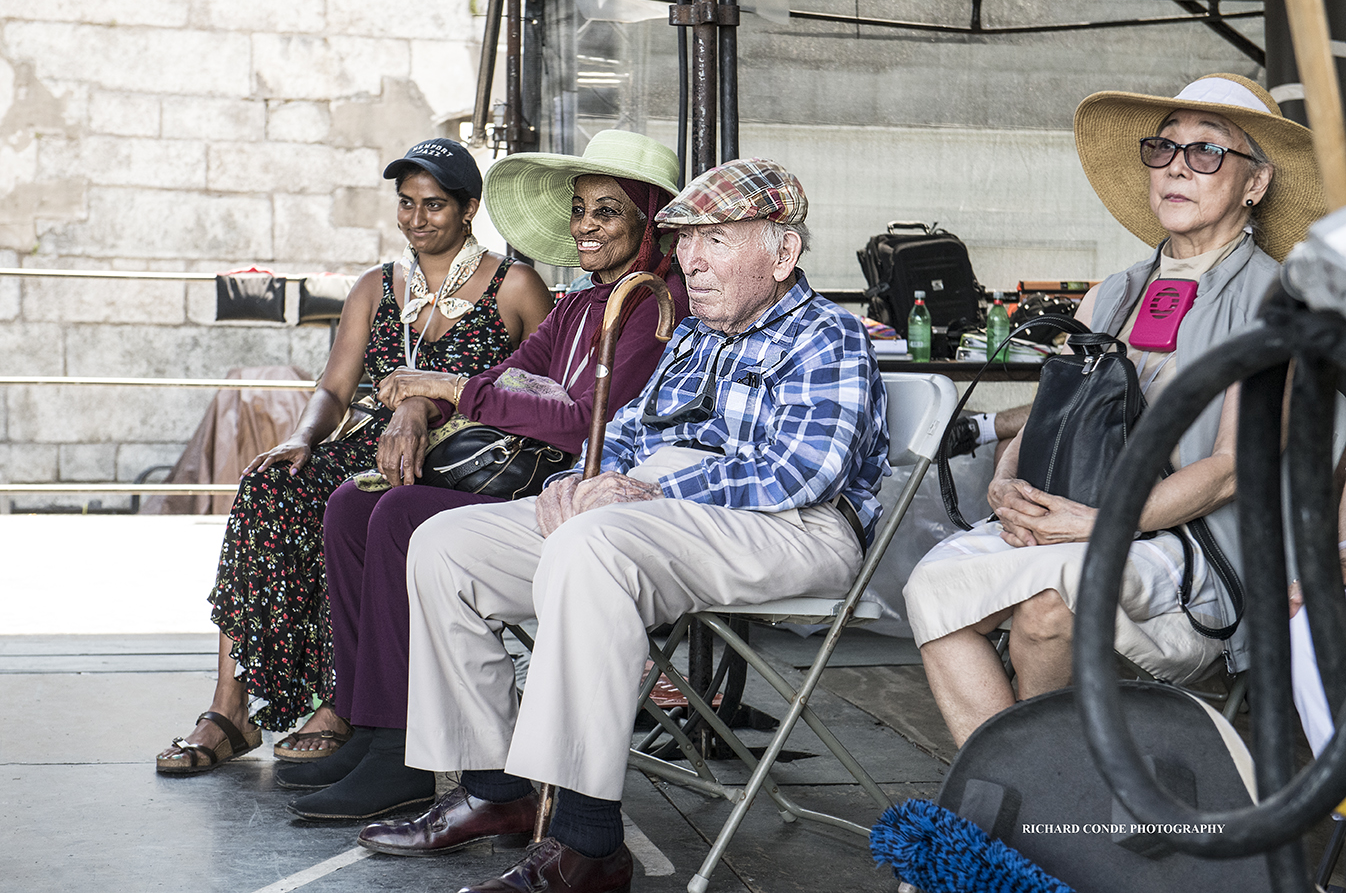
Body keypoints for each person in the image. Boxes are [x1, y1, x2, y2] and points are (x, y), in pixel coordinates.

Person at [352, 158, 888, 893]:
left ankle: (588, 841)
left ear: (783, 252)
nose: (690, 261)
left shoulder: (827, 335)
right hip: (665, 511)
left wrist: (642, 489)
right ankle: (494, 792)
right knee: (448, 546)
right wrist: (579, 481)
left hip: (793, 524)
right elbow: (627, 432)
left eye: (716, 242)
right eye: (687, 241)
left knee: (595, 542)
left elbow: (799, 473)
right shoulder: (698, 334)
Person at [904, 73, 1327, 748]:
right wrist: (1009, 484)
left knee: (1050, 604)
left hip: (1198, 555)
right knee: (937, 585)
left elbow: (1229, 470)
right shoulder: (1112, 295)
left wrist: (1098, 522)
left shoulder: (1282, 302)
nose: (1178, 167)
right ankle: (1025, 803)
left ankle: (1024, 804)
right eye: (1165, 148)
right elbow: (1050, 415)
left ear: (1256, 183)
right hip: (1080, 527)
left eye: (1207, 151)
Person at [278, 130, 690, 820]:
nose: (585, 226)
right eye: (580, 210)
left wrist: (450, 388)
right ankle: (373, 722)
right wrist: (416, 402)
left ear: (650, 221)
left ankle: (403, 751)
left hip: (583, 492)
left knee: (399, 514)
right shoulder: (585, 302)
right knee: (351, 504)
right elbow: (495, 376)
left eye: (608, 211)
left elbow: (583, 427)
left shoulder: (651, 304)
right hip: (530, 473)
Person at [156, 140, 555, 773]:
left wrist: (433, 406)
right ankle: (229, 706)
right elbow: (335, 387)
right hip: (364, 449)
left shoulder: (516, 284)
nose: (417, 219)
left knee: (366, 506)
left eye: (433, 205)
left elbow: (543, 389)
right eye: (405, 204)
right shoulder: (377, 285)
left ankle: (346, 700)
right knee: (271, 488)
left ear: (469, 208)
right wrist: (302, 438)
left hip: (466, 461)